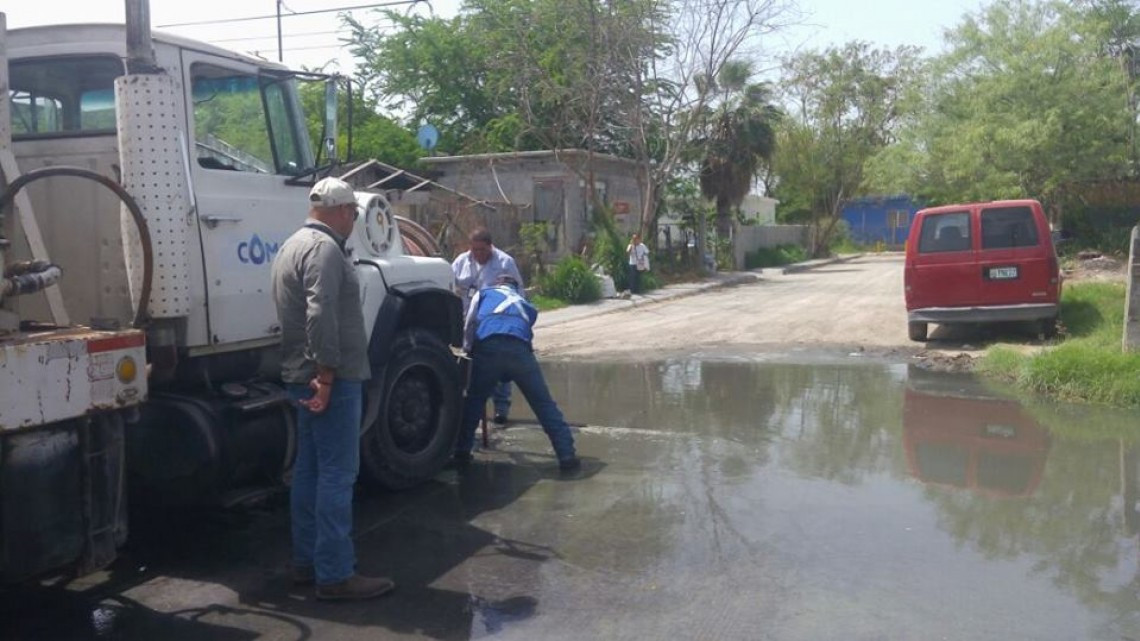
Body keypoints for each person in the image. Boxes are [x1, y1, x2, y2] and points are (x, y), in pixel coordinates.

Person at [271, 176, 395, 601]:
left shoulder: (291, 245)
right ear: (343, 211)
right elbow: (320, 312)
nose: (353, 222)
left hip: (298, 374)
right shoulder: (325, 249)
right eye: (353, 215)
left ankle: (306, 562)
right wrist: (326, 376)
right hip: (330, 380)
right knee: (338, 475)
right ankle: (336, 574)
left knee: (308, 472)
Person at [454, 275, 580, 472]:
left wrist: (468, 350)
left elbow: (469, 323)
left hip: (489, 347)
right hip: (520, 351)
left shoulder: (484, 293)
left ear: (497, 284)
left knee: (474, 402)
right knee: (543, 404)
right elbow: (523, 331)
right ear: (515, 288)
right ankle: (567, 455)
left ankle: (461, 452)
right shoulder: (528, 306)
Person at [451, 228, 524, 425]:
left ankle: (501, 409)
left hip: (494, 323)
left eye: (482, 250)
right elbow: (449, 286)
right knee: (469, 366)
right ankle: (469, 408)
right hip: (467, 321)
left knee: (498, 366)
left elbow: (518, 294)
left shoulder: (505, 263)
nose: (478, 254)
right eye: (474, 250)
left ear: (490, 247)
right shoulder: (461, 262)